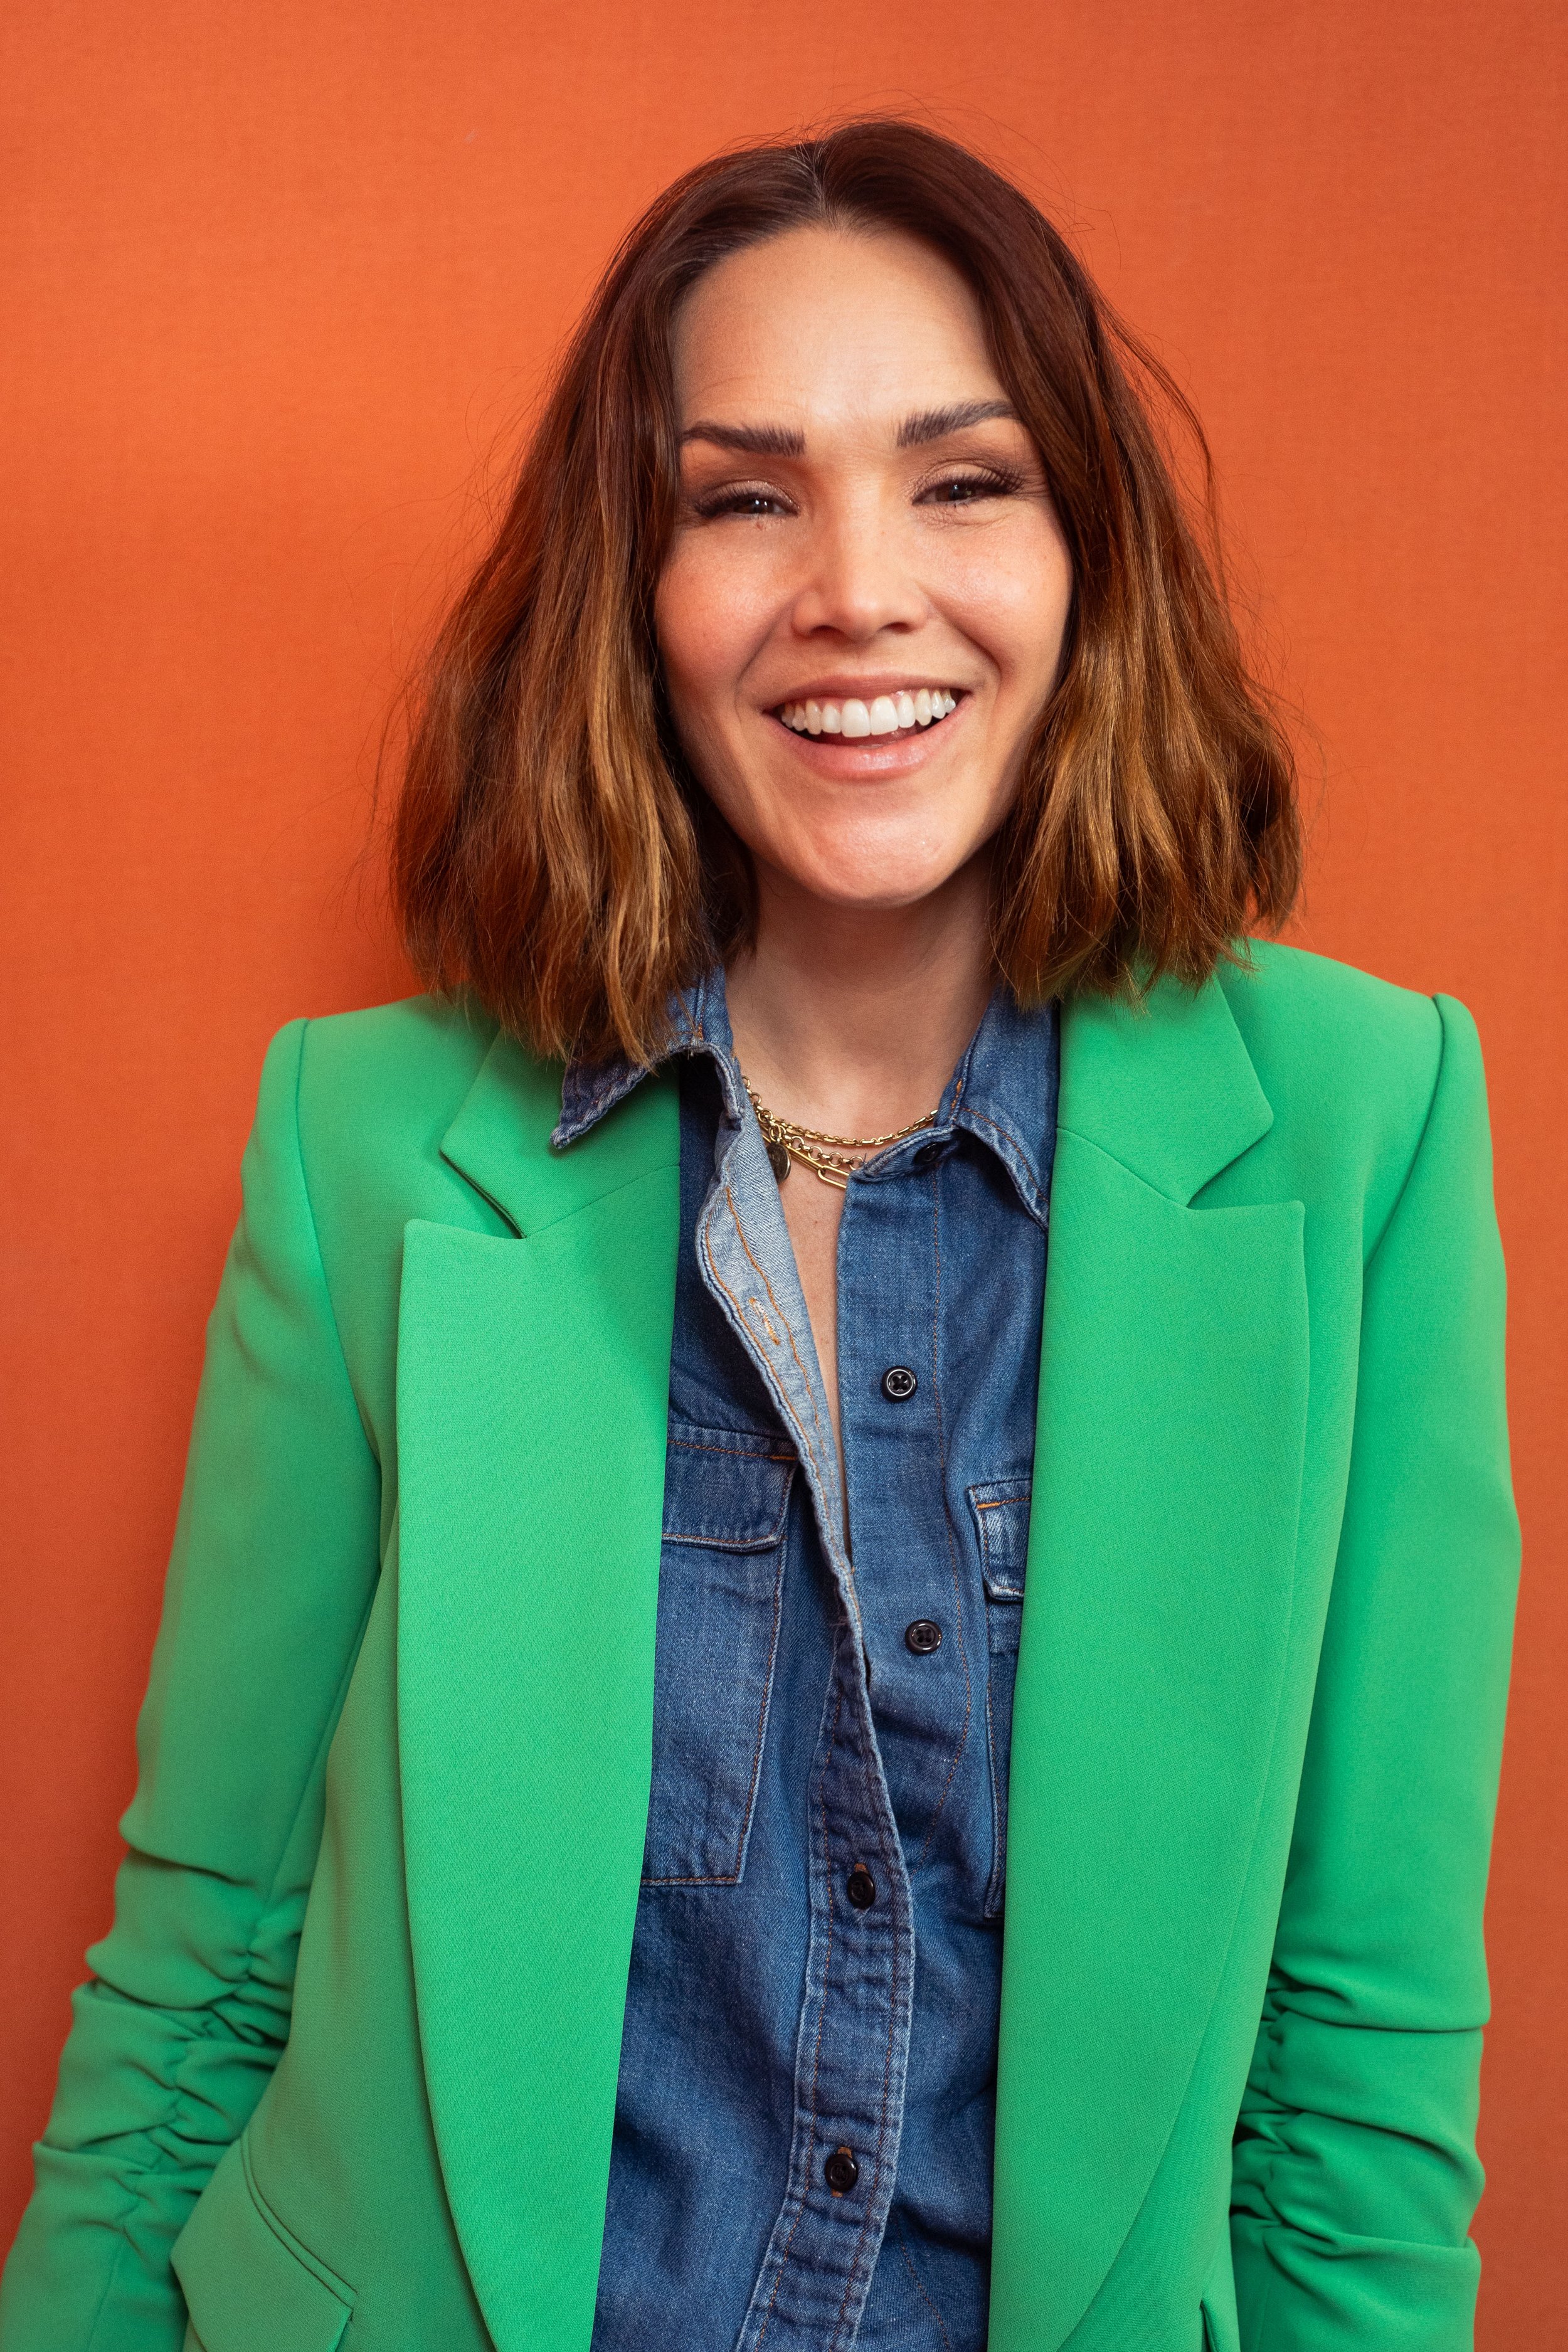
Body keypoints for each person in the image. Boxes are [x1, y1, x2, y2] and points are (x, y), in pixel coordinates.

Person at [0, 120, 1518, 2352]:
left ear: (1086, 548)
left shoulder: (1359, 1132)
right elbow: (208, 1949)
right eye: (743, 494)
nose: (855, 588)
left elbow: (1355, 2047)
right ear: (639, 584)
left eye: (961, 478)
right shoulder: (369, 1139)